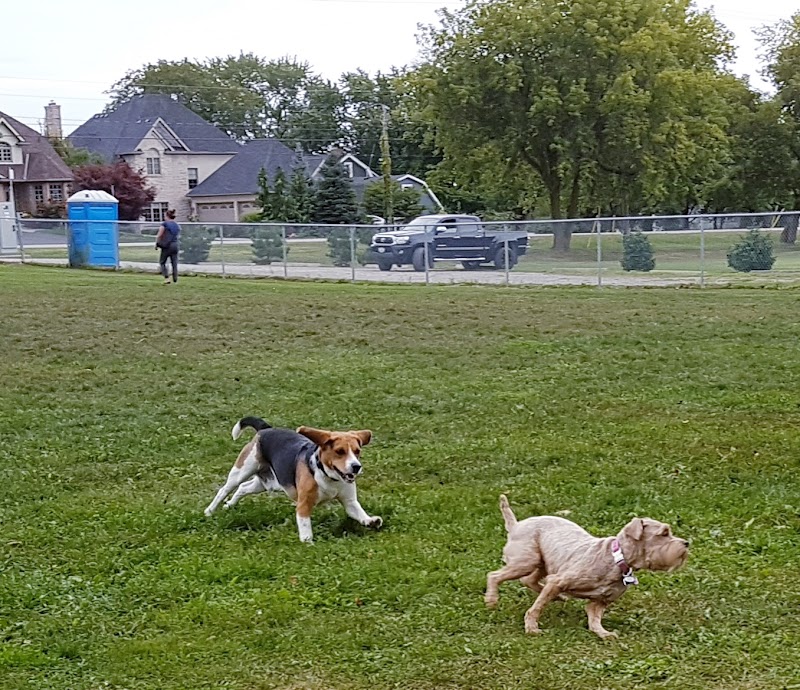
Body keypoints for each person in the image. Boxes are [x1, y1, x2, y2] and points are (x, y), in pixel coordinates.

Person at [155, 210, 180, 284]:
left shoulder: (165, 224)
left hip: (167, 245)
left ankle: (167, 278)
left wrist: (157, 243)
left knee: (162, 262)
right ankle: (175, 279)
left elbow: (160, 234)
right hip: (175, 244)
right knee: (174, 263)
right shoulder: (176, 225)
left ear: (167, 216)